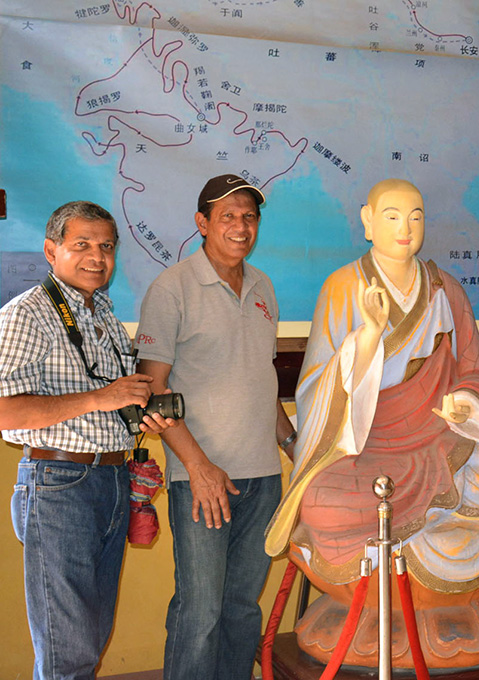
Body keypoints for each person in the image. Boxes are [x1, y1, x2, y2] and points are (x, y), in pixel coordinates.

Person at [263, 178, 479, 666]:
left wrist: (468, 401)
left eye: (416, 216)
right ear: (367, 221)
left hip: (445, 436)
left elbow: (474, 370)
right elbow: (316, 386)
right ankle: (431, 555)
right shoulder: (343, 287)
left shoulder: (446, 289)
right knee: (322, 507)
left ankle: (440, 531)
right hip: (368, 444)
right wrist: (366, 340)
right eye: (392, 216)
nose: (406, 228)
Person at [0, 201, 175, 679]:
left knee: (90, 638)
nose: (96, 257)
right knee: (67, 646)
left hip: (112, 478)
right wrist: (101, 397)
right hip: (59, 482)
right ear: (51, 250)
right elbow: (6, 410)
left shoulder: (103, 314)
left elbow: (112, 399)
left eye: (106, 247)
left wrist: (138, 416)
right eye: (82, 245)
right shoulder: (28, 313)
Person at [134, 175, 296, 680]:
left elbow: (260, 382)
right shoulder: (172, 288)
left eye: (249, 216)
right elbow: (152, 394)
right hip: (202, 479)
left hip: (264, 478)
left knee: (242, 608)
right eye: (227, 215)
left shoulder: (264, 286)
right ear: (202, 223)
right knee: (199, 611)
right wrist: (198, 466)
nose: (240, 226)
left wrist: (296, 446)